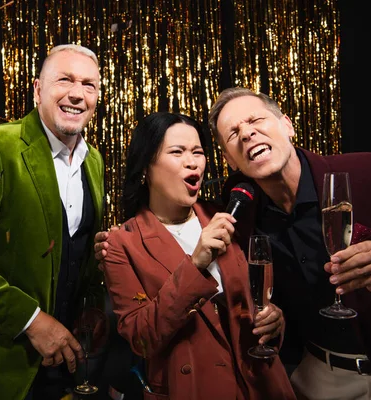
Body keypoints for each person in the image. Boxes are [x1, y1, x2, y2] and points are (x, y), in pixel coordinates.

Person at [204, 87, 371, 399]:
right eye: (233, 133)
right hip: (321, 378)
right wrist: (275, 320)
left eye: (255, 120)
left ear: (287, 126)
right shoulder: (245, 218)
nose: (247, 133)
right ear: (228, 158)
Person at [0, 44, 105, 400]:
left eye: (89, 85)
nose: (77, 93)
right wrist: (32, 321)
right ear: (37, 89)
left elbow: (79, 251)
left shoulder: (95, 162)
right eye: (65, 80)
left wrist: (90, 305)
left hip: (64, 366)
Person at [98, 111, 296, 399]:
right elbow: (141, 339)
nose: (192, 162)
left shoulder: (226, 216)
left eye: (198, 152)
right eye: (177, 152)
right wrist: (196, 263)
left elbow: (255, 300)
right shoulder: (120, 244)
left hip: (261, 385)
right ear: (145, 168)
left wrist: (275, 321)